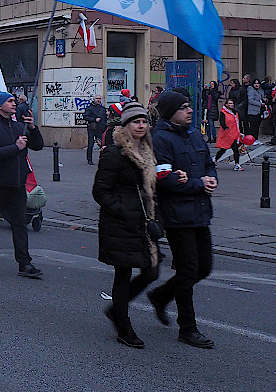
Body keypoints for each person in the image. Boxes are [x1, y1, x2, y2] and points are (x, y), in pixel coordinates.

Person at [146, 90, 218, 349]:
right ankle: (187, 327)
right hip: (177, 215)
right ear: (170, 113)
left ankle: (161, 295)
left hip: (200, 212)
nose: (189, 111)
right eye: (183, 107)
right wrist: (199, 183)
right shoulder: (161, 139)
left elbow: (208, 163)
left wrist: (211, 178)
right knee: (187, 271)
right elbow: (164, 179)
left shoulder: (195, 134)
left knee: (204, 268)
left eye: (189, 106)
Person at [92, 101, 166, 348]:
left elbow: (152, 189)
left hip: (144, 223)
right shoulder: (115, 153)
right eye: (136, 122)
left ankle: (116, 310)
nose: (141, 126)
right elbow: (100, 191)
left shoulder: (148, 152)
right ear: (125, 125)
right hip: (121, 224)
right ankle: (123, 325)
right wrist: (123, 211)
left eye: (144, 121)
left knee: (152, 270)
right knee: (123, 273)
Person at [0, 92, 44, 278]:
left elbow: (37, 145)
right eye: (9, 101)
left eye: (14, 101)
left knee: (19, 224)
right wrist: (15, 147)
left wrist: (33, 128)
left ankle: (24, 263)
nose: (14, 104)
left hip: (17, 185)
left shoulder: (19, 126)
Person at [212, 97, 242, 170]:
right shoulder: (223, 112)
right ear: (226, 104)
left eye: (232, 103)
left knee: (235, 149)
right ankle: (214, 160)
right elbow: (222, 122)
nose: (231, 105)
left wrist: (240, 132)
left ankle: (237, 164)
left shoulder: (235, 113)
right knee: (223, 149)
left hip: (234, 134)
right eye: (230, 103)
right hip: (226, 134)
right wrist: (225, 127)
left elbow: (238, 123)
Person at [83, 95, 108, 165]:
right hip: (92, 129)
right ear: (93, 99)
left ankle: (103, 159)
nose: (98, 100)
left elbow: (105, 118)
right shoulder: (90, 108)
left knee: (103, 145)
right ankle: (89, 159)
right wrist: (94, 119)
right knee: (90, 145)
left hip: (101, 129)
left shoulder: (102, 109)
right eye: (97, 98)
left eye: (99, 98)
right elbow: (85, 116)